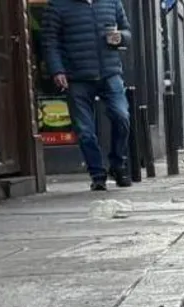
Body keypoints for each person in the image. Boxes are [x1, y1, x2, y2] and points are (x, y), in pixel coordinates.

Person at [42, 0, 132, 191]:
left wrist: (121, 37)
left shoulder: (112, 2)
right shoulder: (57, 5)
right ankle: (97, 175)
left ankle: (117, 164)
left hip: (110, 72)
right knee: (85, 131)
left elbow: (127, 31)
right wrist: (57, 70)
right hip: (77, 77)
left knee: (122, 116)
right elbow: (50, 41)